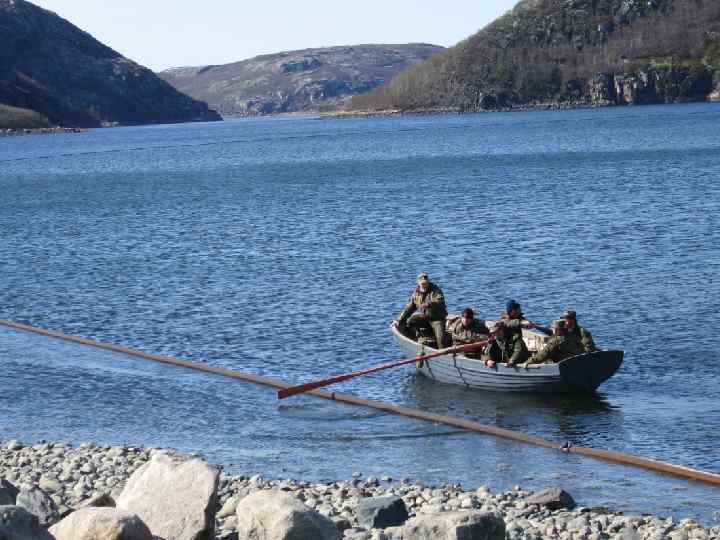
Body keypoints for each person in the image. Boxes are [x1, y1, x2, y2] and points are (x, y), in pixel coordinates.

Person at [396, 272, 448, 348]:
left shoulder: (435, 290)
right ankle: (421, 337)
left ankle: (441, 352)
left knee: (441, 340)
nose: (424, 285)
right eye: (422, 283)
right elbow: (409, 308)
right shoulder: (416, 293)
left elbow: (439, 301)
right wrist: (399, 320)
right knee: (410, 321)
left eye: (426, 283)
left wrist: (429, 304)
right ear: (418, 283)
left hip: (437, 319)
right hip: (425, 318)